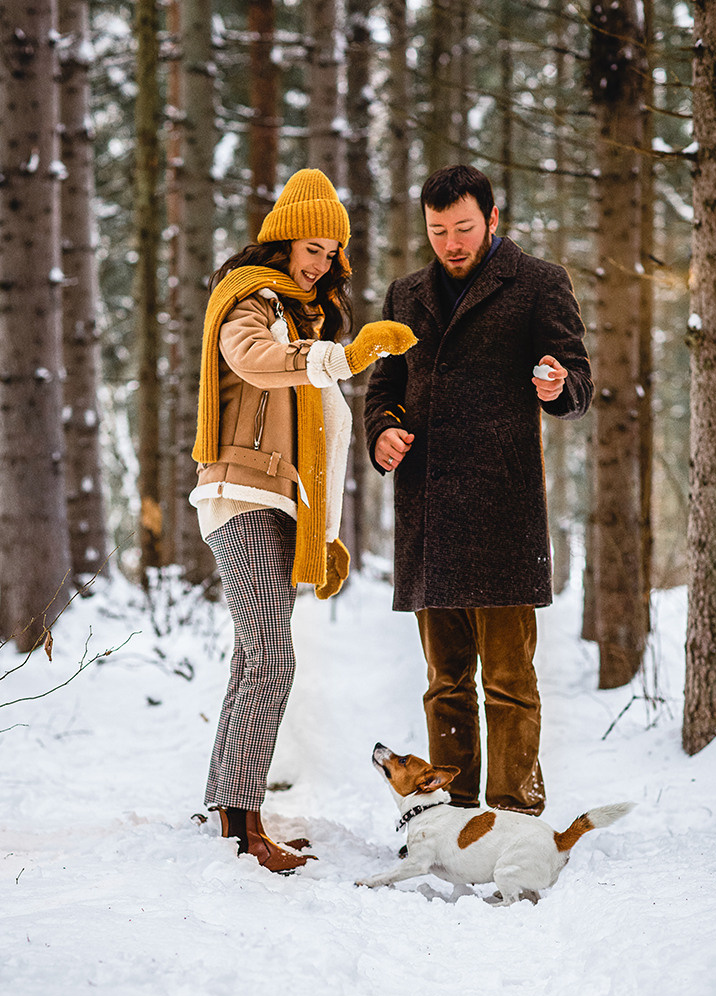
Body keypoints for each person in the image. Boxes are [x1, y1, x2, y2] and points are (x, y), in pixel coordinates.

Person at [191, 168, 415, 871]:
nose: (320, 264)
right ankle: (245, 825)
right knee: (275, 663)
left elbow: (323, 440)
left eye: (331, 254)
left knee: (251, 660)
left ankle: (225, 812)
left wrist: (325, 537)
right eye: (310, 248)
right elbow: (253, 362)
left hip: (278, 503)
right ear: (283, 240)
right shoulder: (251, 302)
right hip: (243, 495)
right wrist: (339, 357)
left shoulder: (300, 316)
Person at [363, 164, 592, 817]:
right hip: (430, 516)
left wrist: (557, 386)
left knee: (510, 681)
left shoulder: (539, 284)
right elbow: (384, 392)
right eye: (439, 231)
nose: (452, 243)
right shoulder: (404, 296)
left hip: (503, 514)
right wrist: (383, 433)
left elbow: (577, 378)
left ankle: (515, 813)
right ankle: (455, 812)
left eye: (464, 228)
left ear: (492, 220)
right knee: (445, 683)